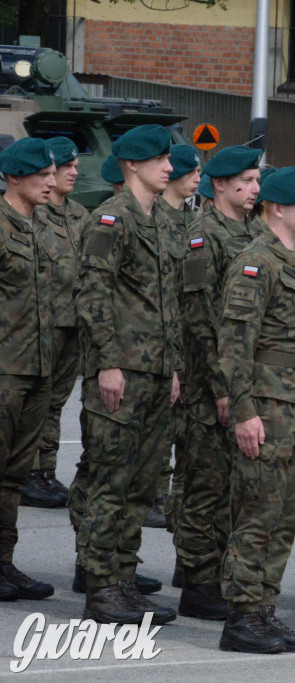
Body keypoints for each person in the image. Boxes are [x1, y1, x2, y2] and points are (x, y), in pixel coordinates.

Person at [216, 166, 295, 654]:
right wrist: (243, 411)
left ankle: (264, 610)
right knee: (259, 512)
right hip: (267, 405)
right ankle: (241, 616)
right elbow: (233, 345)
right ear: (278, 208)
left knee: (286, 516)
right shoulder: (255, 262)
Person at [76, 124, 180, 624]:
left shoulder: (160, 220)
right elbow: (93, 294)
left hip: (157, 373)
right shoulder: (111, 220)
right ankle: (100, 586)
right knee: (110, 480)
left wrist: (174, 367)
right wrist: (108, 362)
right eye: (159, 159)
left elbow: (169, 305)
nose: (168, 166)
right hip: (122, 371)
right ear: (132, 165)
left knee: (141, 485)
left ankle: (123, 579)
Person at [175, 145, 264, 621]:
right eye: (246, 182)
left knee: (232, 484)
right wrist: (223, 386)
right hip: (211, 384)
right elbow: (201, 317)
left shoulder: (251, 232)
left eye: (256, 181)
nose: (254, 189)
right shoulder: (205, 235)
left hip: (238, 380)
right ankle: (198, 580)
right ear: (221, 185)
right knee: (205, 483)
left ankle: (215, 571)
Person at [0, 137, 58, 601]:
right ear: (14, 177)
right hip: (3, 368)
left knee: (14, 475)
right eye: (42, 176)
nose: (52, 183)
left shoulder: (40, 227)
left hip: (37, 368)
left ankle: (4, 562)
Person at [21, 136, 85, 509]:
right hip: (43, 323)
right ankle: (29, 472)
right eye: (67, 167)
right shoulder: (36, 213)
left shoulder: (79, 215)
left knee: (56, 403)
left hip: (72, 322)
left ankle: (45, 471)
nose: (74, 173)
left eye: (76, 167)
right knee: (36, 402)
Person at [153, 143, 201, 534]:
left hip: (190, 346)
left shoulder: (194, 220)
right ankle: (155, 493)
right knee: (159, 433)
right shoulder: (157, 218)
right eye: (191, 172)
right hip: (162, 343)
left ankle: (172, 501)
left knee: (186, 434)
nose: (197, 179)